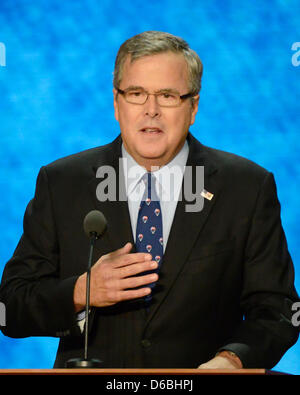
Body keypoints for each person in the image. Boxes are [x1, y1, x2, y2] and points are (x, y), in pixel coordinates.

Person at [0, 31, 299, 370]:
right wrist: (82, 291)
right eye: (136, 93)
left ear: (193, 107)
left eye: (168, 95)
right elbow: (11, 306)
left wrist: (233, 360)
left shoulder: (247, 187)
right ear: (116, 103)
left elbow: (278, 310)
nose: (151, 110)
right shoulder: (62, 183)